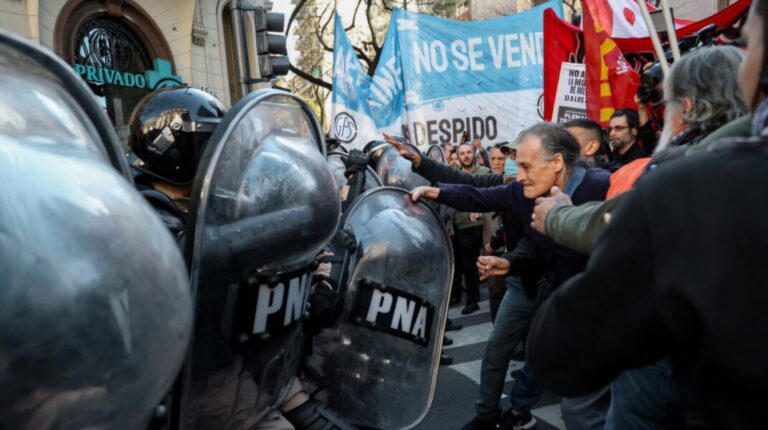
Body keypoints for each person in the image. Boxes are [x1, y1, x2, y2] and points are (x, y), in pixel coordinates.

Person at [526, 2, 768, 428]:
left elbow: (560, 350)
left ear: (687, 108)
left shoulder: (685, 186)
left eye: (748, 40)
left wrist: (569, 219)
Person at [397, 123, 611, 430]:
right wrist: (436, 192)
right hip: (552, 295)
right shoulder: (522, 192)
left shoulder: (603, 186)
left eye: (525, 165)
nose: (518, 174)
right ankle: (495, 414)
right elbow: (478, 195)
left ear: (558, 162)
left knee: (593, 407)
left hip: (604, 313)